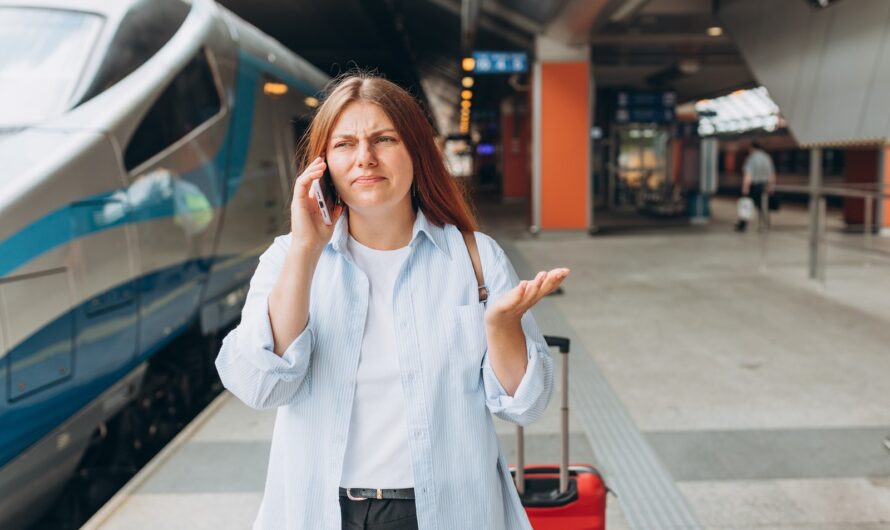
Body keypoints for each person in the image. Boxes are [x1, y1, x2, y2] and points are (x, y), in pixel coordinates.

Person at [215, 73, 569, 530]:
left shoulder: (474, 258)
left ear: (417, 152)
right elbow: (263, 387)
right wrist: (306, 249)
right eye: (345, 144)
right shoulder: (289, 258)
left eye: (384, 139)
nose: (365, 158)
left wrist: (501, 328)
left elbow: (526, 406)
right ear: (322, 164)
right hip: (322, 511)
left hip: (448, 511)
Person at [735, 141, 776, 232]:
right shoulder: (767, 157)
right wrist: (771, 186)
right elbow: (772, 174)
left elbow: (748, 174)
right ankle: (765, 224)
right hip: (764, 185)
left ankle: (743, 225)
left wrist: (745, 188)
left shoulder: (751, 158)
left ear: (752, 148)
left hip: (754, 185)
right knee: (763, 206)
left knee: (746, 205)